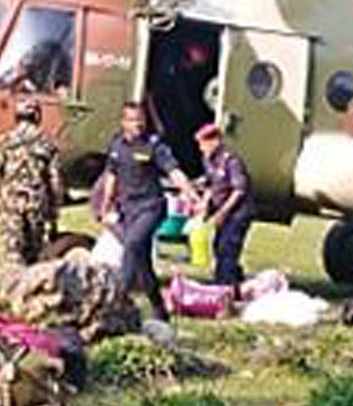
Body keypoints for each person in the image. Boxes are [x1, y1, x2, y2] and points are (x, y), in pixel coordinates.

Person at [93, 99, 186, 320]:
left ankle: (117, 302)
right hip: (128, 209)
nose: (138, 124)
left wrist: (190, 191)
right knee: (142, 261)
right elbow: (111, 176)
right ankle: (159, 309)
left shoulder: (154, 146)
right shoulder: (117, 146)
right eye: (133, 120)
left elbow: (174, 171)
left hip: (151, 207)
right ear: (124, 122)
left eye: (141, 120)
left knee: (132, 244)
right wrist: (106, 204)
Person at [0, 90, 66, 266]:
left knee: (12, 255)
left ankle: (12, 289)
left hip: (10, 203)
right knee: (33, 257)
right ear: (37, 116)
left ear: (17, 116)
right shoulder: (48, 144)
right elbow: (55, 180)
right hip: (36, 205)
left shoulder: (5, 141)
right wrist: (55, 210)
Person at [193, 119, 254, 286]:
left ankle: (224, 285)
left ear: (215, 141)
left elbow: (239, 191)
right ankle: (235, 280)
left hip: (237, 213)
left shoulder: (230, 161)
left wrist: (222, 213)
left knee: (227, 248)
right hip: (224, 212)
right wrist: (203, 198)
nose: (201, 148)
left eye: (204, 143)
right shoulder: (208, 160)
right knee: (219, 247)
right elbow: (211, 182)